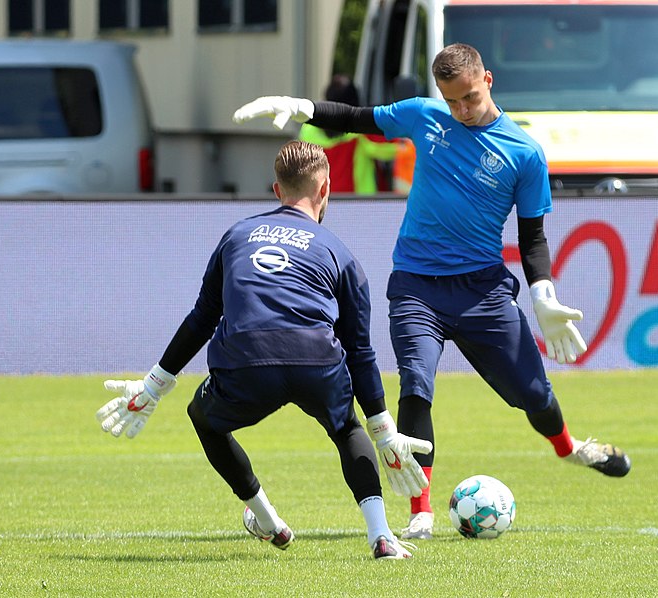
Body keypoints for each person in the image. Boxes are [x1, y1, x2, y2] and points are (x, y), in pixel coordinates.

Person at [232, 43, 631, 542]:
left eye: (468, 97)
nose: (461, 110)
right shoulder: (427, 115)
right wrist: (304, 107)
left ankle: (569, 446)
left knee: (533, 394)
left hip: (482, 290)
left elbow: (532, 238)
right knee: (416, 385)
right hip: (416, 286)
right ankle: (420, 510)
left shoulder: (524, 154)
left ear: (488, 79)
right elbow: (359, 117)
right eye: (452, 100)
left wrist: (543, 294)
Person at [95, 140, 432, 559]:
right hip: (316, 360)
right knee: (347, 430)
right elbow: (359, 350)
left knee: (204, 417)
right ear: (325, 189)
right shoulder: (340, 253)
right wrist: (383, 430)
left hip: (246, 360)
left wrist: (153, 386)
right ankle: (381, 536)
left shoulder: (236, 236)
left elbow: (202, 317)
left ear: (277, 190)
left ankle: (268, 520)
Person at [298, 74, 399, 194]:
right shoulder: (362, 133)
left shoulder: (307, 132)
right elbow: (393, 149)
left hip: (319, 206)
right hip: (358, 206)